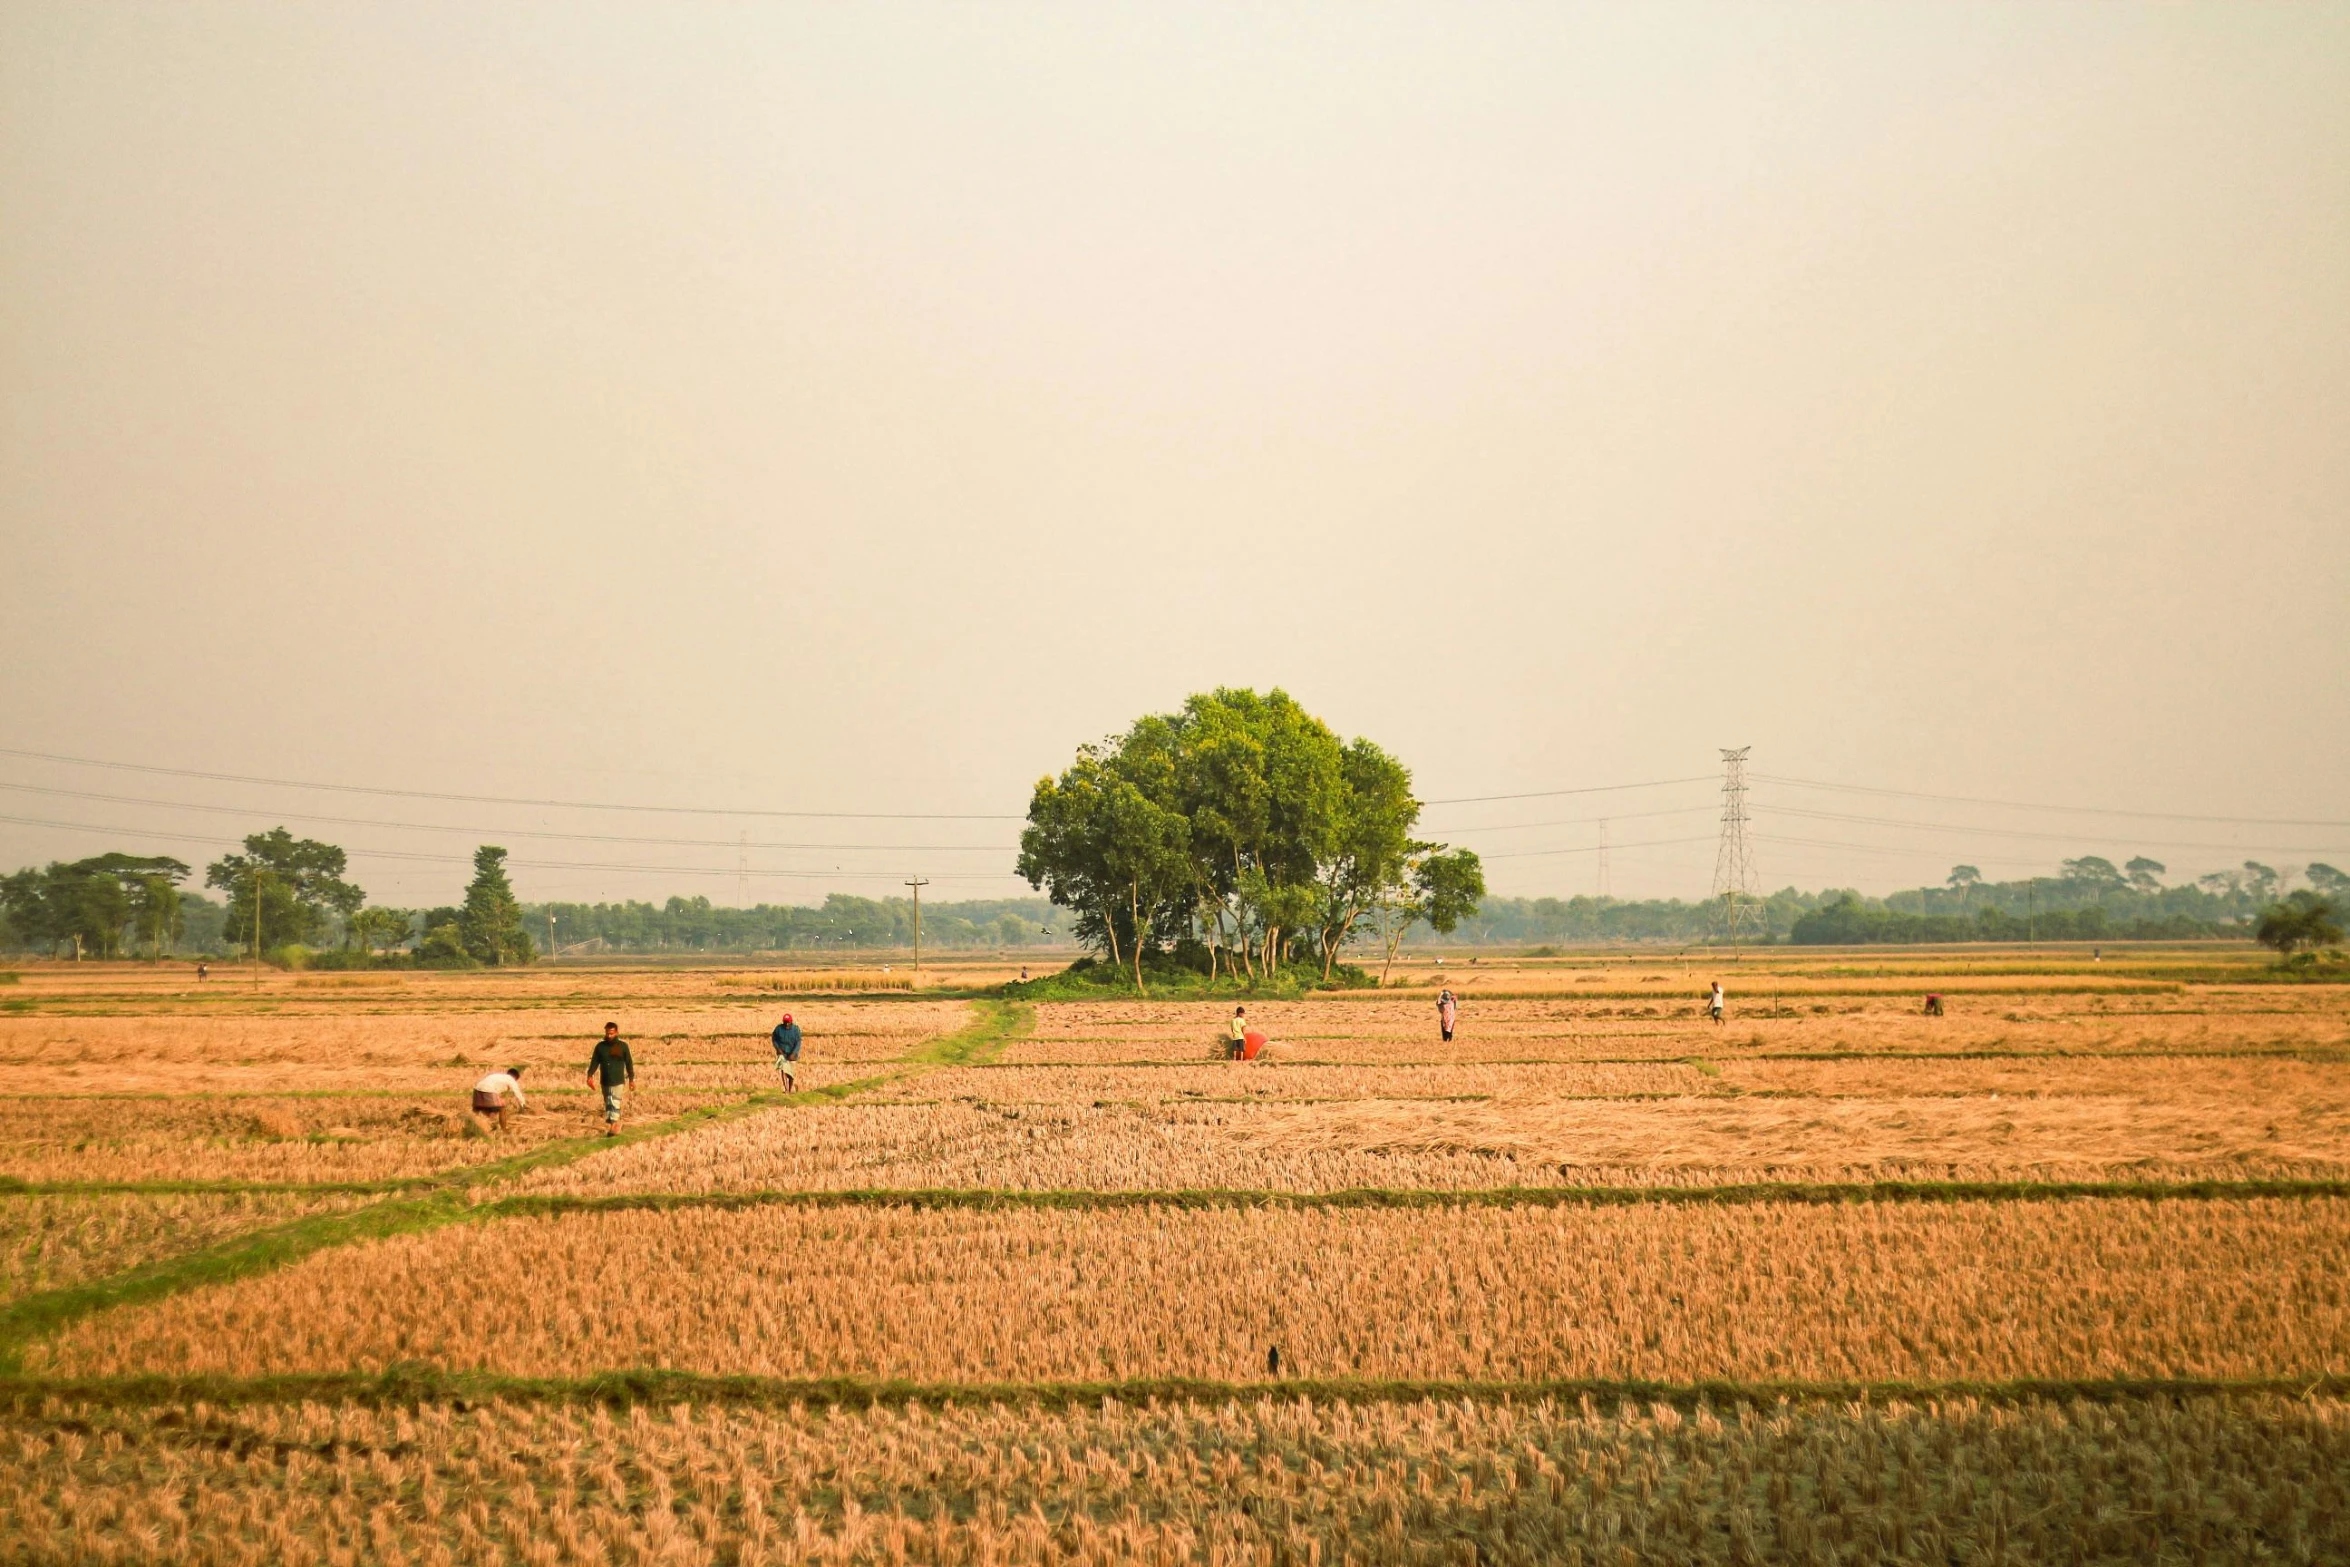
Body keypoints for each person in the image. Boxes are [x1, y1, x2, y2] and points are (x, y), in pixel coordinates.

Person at [586, 1022, 635, 1135]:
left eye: (612, 1033)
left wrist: (631, 1079)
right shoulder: (600, 1047)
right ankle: (614, 1124)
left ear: (617, 1032)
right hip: (605, 1081)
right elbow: (594, 1062)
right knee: (608, 1103)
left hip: (617, 1080)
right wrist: (590, 1076)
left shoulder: (622, 1046)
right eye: (607, 1033)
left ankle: (614, 1127)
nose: (609, 1036)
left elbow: (629, 1063)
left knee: (614, 1102)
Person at [470, 1065, 527, 1132]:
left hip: (477, 1089)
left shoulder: (499, 1076)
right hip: (488, 1090)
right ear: (515, 1077)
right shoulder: (511, 1079)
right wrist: (523, 1105)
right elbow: (517, 1093)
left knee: (479, 1110)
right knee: (502, 1108)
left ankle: (471, 1125)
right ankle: (504, 1130)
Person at [771, 1011, 804, 1091]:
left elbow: (798, 1042)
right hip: (782, 1053)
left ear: (791, 1022)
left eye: (788, 1022)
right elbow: (774, 1039)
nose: (786, 1024)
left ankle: (790, 1089)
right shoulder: (778, 1029)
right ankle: (786, 1090)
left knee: (791, 1073)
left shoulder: (796, 1030)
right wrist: (778, 1048)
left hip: (792, 1055)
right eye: (785, 1022)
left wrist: (794, 1053)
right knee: (783, 1070)